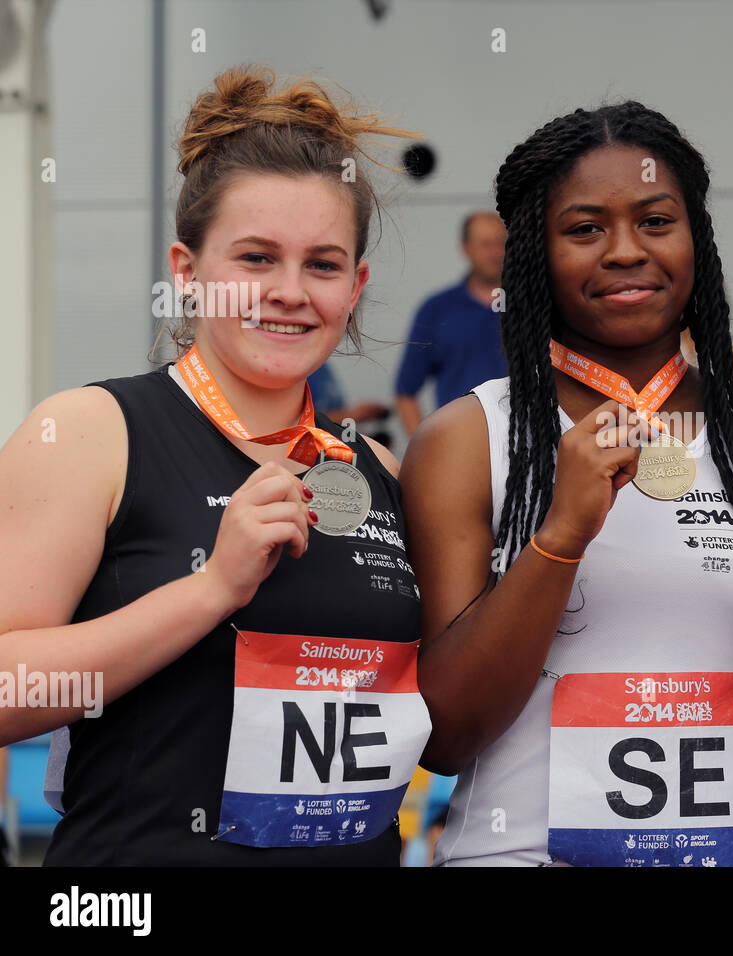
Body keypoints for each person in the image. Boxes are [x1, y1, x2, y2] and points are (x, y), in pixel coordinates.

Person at [401, 101, 733, 866]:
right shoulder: (464, 440)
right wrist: (559, 539)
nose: (624, 251)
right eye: (584, 229)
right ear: (533, 255)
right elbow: (443, 735)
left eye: (655, 220)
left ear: (695, 239)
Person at [0, 66, 429, 865]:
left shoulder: (376, 470)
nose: (290, 292)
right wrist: (210, 592)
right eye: (257, 259)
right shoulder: (91, 432)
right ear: (188, 271)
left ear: (356, 287)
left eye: (323, 265)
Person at [393, 211, 508, 436]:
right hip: (460, 443)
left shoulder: (535, 308)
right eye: (485, 244)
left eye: (501, 243)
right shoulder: (436, 309)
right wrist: (427, 450)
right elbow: (405, 392)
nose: (495, 252)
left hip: (525, 447)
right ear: (466, 249)